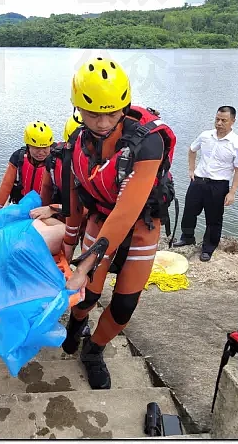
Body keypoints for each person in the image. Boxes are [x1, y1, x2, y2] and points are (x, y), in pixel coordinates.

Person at [59, 57, 177, 390]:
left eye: (112, 113)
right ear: (79, 110)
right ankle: (75, 326)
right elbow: (75, 196)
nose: (102, 122)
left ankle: (94, 350)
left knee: (124, 305)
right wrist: (70, 244)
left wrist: (84, 264)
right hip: (99, 217)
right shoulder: (77, 143)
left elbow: (126, 211)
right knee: (86, 297)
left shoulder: (147, 143)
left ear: (124, 106)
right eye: (93, 113)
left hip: (141, 224)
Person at [171, 106, 238, 261]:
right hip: (198, 181)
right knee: (189, 211)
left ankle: (208, 248)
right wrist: (191, 169)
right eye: (217, 119)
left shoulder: (237, 143)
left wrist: (232, 192)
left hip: (218, 185)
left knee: (214, 219)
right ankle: (187, 237)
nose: (219, 123)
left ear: (232, 121)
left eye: (224, 120)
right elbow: (192, 150)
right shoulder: (205, 135)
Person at [0, 121, 55, 211]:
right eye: (37, 148)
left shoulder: (56, 160)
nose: (41, 152)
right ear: (28, 146)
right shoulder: (18, 157)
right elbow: (6, 184)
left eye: (45, 148)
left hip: (45, 209)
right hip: (20, 204)